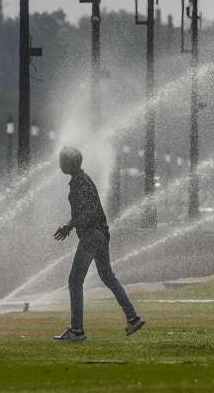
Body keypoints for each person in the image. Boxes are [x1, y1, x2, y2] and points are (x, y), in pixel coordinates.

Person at [52, 146, 145, 342]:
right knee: (108, 277)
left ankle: (77, 330)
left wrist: (69, 226)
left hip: (92, 237)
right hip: (100, 235)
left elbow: (92, 210)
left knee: (75, 281)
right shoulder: (82, 180)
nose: (59, 163)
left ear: (71, 162)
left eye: (62, 160)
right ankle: (133, 318)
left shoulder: (80, 183)